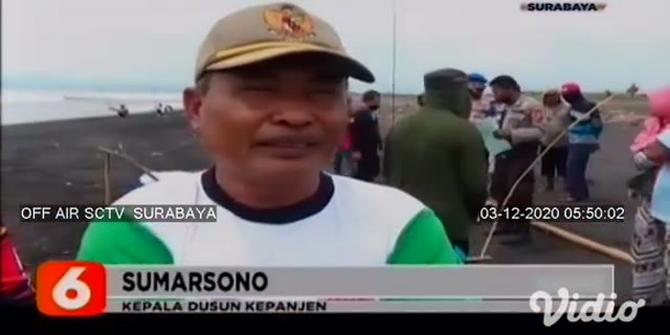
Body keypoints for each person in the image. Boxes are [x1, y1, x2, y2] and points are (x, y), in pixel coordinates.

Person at [76, 2, 461, 266]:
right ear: (197, 109)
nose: (295, 116)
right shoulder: (142, 228)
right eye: (258, 90)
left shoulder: (402, 227)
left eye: (322, 92)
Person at [383, 69, 489, 261]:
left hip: (403, 223)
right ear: (459, 95)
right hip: (448, 228)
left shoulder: (399, 127)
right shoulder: (464, 131)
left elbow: (388, 174)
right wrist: (473, 215)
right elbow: (476, 187)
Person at [489, 75, 544, 244]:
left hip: (522, 153)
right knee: (500, 189)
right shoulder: (503, 107)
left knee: (519, 190)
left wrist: (512, 134)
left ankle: (522, 231)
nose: (495, 95)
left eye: (497, 91)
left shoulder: (531, 106)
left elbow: (541, 132)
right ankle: (506, 224)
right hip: (503, 152)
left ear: (510, 89)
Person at [629, 87, 670, 305]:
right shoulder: (660, 127)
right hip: (657, 202)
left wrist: (643, 152)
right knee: (650, 251)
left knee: (652, 253)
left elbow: (652, 154)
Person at [561, 82, 603, 202]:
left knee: (573, 168)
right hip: (576, 140)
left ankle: (575, 195)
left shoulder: (588, 106)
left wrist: (582, 128)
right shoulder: (572, 107)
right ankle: (582, 193)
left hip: (583, 141)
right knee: (578, 168)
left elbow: (597, 125)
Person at [539, 89, 571, 191]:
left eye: (553, 96)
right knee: (547, 166)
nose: (551, 99)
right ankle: (549, 185)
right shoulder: (543, 108)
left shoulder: (567, 107)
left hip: (563, 141)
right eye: (548, 96)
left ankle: (566, 186)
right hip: (546, 141)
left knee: (563, 165)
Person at [351, 90, 383, 182]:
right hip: (362, 150)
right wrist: (355, 150)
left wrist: (379, 144)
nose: (378, 102)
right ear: (369, 100)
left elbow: (375, 131)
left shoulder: (373, 114)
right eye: (377, 100)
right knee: (362, 173)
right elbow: (354, 132)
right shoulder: (358, 115)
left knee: (371, 170)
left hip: (372, 149)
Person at [333, 95, 355, 176]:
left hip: (347, 142)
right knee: (338, 161)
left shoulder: (351, 113)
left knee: (348, 162)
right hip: (340, 141)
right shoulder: (336, 112)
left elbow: (352, 125)